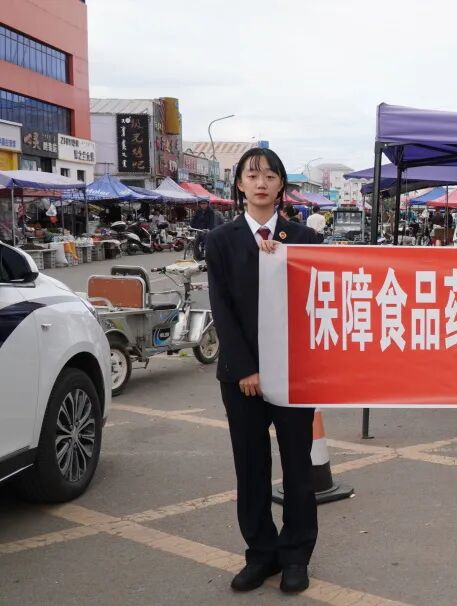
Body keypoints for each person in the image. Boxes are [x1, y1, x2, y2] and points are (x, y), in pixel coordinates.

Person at [203, 147, 321, 594]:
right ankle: (261, 553)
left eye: (270, 175)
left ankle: (296, 555)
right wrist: (245, 369)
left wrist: (285, 260)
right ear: (239, 184)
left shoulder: (305, 239)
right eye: (252, 176)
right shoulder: (221, 240)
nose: (261, 183)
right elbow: (222, 308)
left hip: (294, 373)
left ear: (281, 185)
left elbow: (317, 300)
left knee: (298, 468)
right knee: (251, 468)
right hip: (242, 378)